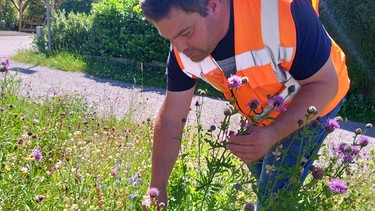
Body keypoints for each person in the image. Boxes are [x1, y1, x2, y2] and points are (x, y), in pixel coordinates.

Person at [140, 0, 350, 209]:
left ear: (213, 5)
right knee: (266, 174)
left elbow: (324, 84)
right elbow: (171, 119)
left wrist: (273, 134)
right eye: (170, 37)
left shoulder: (281, 10)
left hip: (318, 97)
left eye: (186, 32)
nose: (179, 48)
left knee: (272, 199)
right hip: (267, 110)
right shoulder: (182, 47)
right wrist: (157, 187)